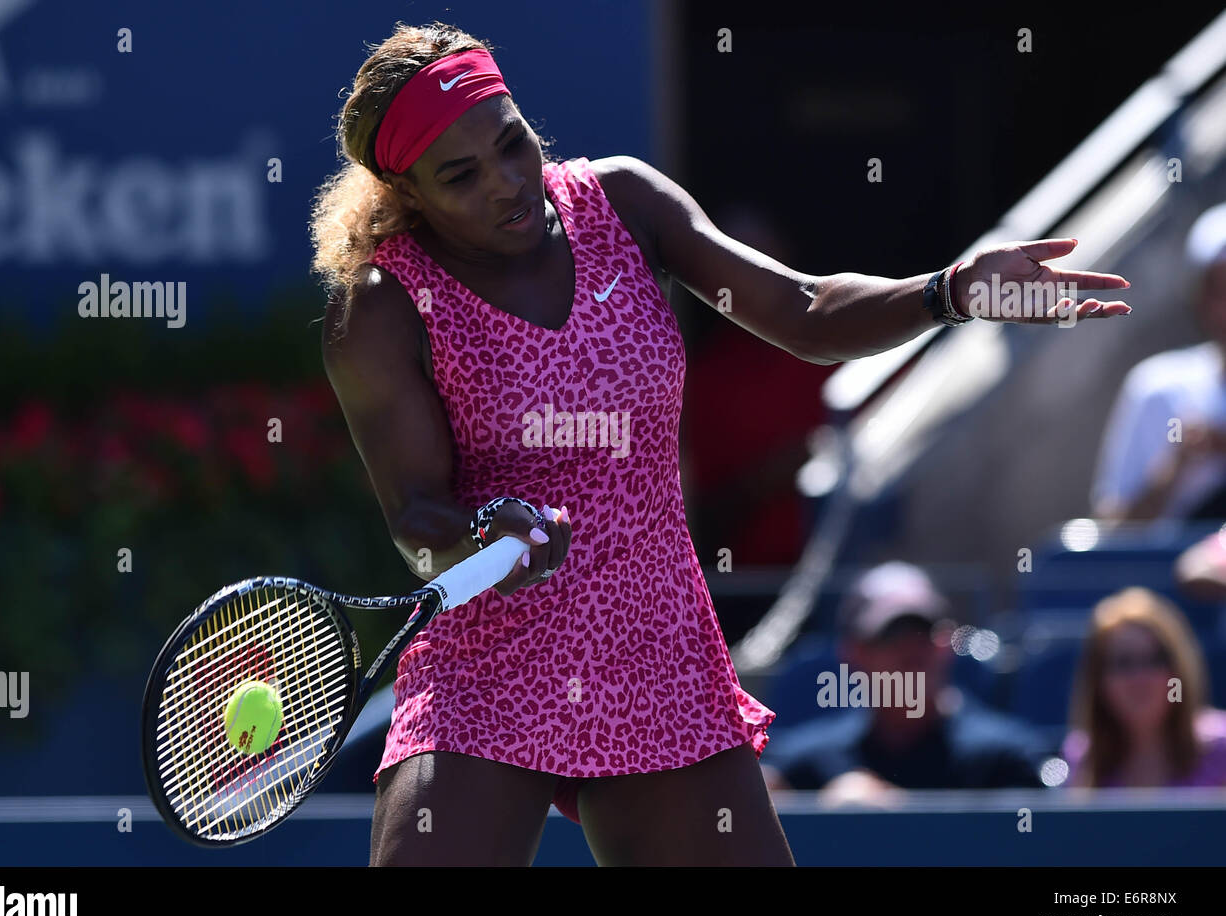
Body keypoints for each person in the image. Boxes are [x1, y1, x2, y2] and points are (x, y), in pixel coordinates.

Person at [308, 21, 1130, 865]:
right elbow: (417, 517)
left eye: (511, 143)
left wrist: (950, 291)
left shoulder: (621, 202)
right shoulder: (377, 307)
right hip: (487, 668)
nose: (509, 182)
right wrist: (482, 538)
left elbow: (803, 312)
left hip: (653, 647)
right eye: (462, 176)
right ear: (405, 191)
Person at [762, 563, 1052, 804]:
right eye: (891, 635)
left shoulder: (1007, 761)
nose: (911, 651)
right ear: (854, 653)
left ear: (945, 645)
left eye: (923, 634)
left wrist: (895, 809)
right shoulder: (803, 769)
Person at [1092, 202, 1226, 523]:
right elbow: (1114, 530)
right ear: (1200, 298)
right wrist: (1175, 467)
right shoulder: (1155, 387)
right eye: (1222, 289)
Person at [1062, 587, 1226, 788]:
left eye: (1155, 660)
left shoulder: (1221, 749)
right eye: (1123, 663)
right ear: (1098, 680)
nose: (1140, 677)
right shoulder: (1082, 757)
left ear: (1178, 673)